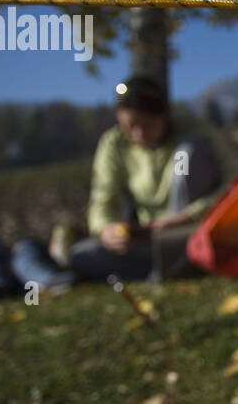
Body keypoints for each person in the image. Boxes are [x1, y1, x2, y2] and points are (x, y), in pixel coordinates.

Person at [68, 76, 224, 282]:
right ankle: (167, 266)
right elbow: (103, 197)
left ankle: (180, 254)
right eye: (130, 126)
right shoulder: (115, 144)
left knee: (185, 154)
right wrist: (106, 229)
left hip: (192, 227)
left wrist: (187, 215)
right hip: (147, 237)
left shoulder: (193, 134)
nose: (139, 134)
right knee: (82, 255)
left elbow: (235, 183)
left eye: (148, 125)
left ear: (164, 116)